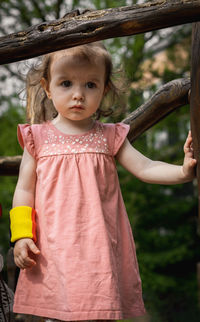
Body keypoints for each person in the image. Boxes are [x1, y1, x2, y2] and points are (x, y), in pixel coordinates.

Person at [10, 41, 196, 322]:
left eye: (90, 85)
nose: (78, 95)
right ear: (47, 88)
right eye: (66, 83)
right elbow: (24, 189)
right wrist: (22, 235)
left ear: (105, 89)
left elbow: (145, 167)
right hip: (53, 247)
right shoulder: (38, 137)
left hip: (98, 248)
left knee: (98, 311)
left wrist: (182, 172)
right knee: (57, 312)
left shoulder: (109, 136)